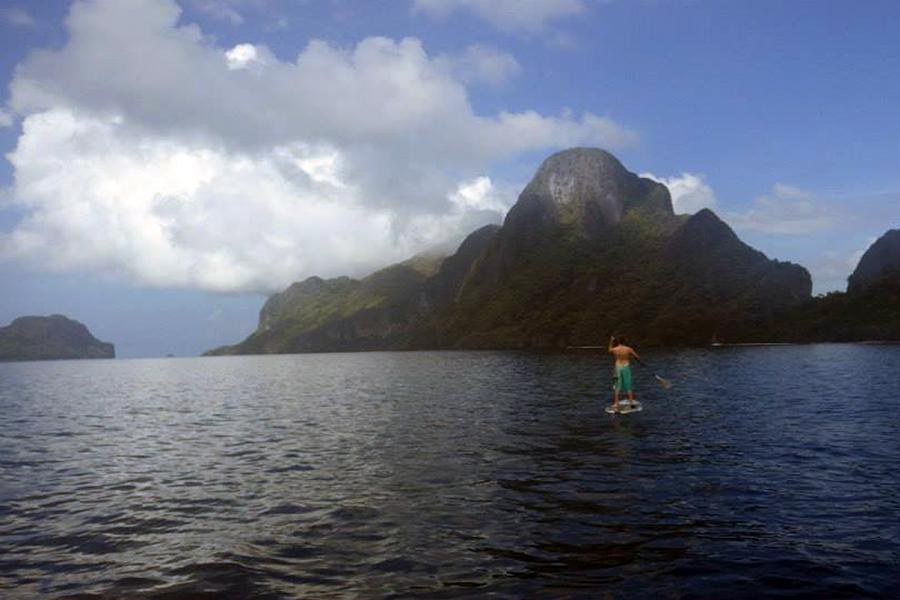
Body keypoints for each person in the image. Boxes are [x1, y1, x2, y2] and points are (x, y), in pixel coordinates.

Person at [608, 335, 640, 412]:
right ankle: (631, 402)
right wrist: (632, 357)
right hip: (626, 367)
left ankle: (616, 403)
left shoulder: (615, 349)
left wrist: (611, 341)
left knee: (617, 385)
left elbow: (609, 350)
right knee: (628, 384)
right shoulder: (628, 349)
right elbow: (637, 357)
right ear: (624, 341)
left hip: (618, 368)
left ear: (618, 342)